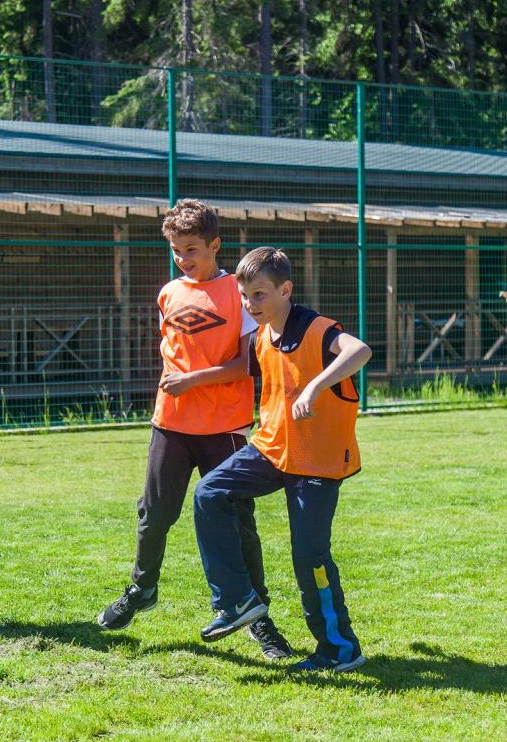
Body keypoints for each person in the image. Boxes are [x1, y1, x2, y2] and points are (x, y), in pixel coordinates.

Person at [96, 200, 293, 660]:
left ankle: (257, 616)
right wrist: (178, 385)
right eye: (176, 250)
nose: (184, 259)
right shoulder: (168, 293)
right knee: (154, 513)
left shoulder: (237, 293)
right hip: (170, 421)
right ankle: (141, 591)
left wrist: (194, 380)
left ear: (214, 246)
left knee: (237, 520)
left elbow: (243, 365)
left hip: (222, 426)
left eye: (192, 250)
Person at [191, 246, 372, 673]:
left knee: (309, 555)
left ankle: (340, 649)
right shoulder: (261, 337)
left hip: (318, 461)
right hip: (270, 449)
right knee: (209, 492)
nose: (250, 305)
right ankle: (237, 601)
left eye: (259, 295)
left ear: (285, 289)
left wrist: (314, 387)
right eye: (245, 297)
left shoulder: (317, 327)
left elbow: (359, 351)